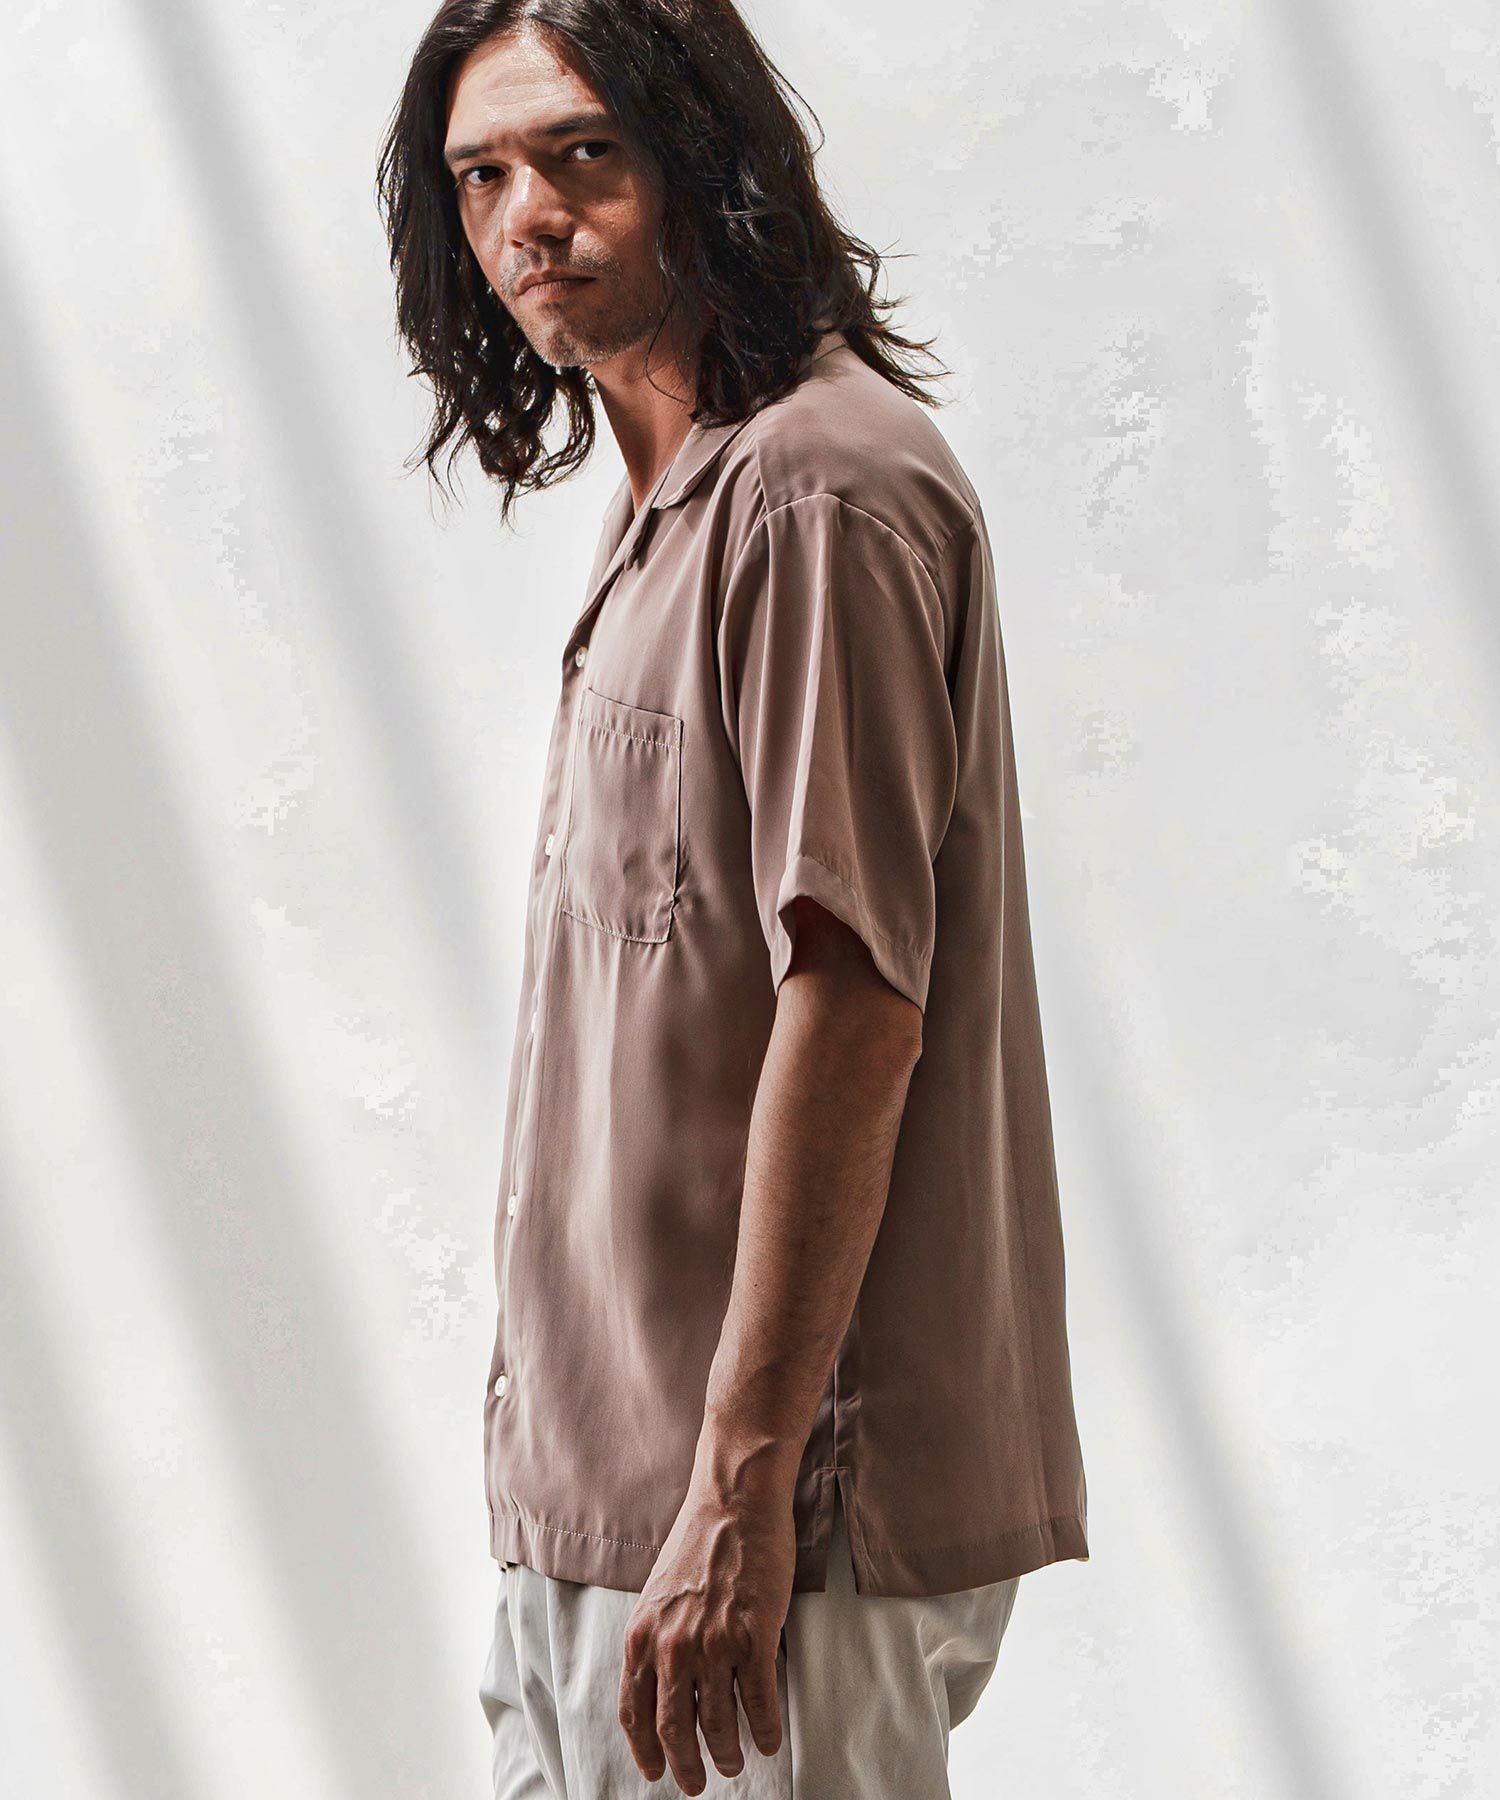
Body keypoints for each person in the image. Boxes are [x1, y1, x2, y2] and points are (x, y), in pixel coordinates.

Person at [377, 3, 1089, 1793]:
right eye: (482, 175)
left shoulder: (815, 494)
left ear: (709, 159)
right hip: (599, 1498)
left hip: (764, 1526)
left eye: (583, 153)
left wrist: (742, 1490)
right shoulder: (676, 501)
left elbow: (853, 1001)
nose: (528, 216)